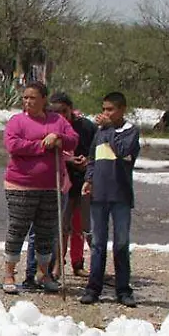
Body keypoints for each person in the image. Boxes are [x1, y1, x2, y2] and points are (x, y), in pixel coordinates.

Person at [1, 82, 77, 294]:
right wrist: (41, 145)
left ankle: (44, 274)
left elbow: (73, 140)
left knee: (46, 232)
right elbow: (13, 145)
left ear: (44, 99)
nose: (27, 101)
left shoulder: (58, 120)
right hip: (20, 185)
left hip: (51, 186)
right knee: (17, 229)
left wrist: (58, 138)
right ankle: (9, 273)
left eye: (32, 98)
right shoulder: (17, 121)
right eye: (25, 97)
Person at [79, 91, 141, 306]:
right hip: (99, 195)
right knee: (97, 243)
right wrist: (89, 179)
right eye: (103, 109)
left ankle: (123, 289)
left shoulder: (130, 132)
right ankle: (93, 288)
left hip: (121, 195)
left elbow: (123, 150)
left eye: (110, 110)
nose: (105, 113)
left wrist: (111, 129)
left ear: (122, 109)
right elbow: (93, 158)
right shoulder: (100, 132)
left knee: (121, 243)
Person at [50, 92, 97, 277]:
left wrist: (88, 161)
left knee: (81, 226)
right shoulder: (51, 125)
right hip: (61, 182)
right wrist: (68, 161)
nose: (62, 115)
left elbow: (97, 148)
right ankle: (57, 265)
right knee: (62, 227)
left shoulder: (86, 126)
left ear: (71, 109)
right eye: (57, 111)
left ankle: (78, 264)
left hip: (84, 181)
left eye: (64, 111)